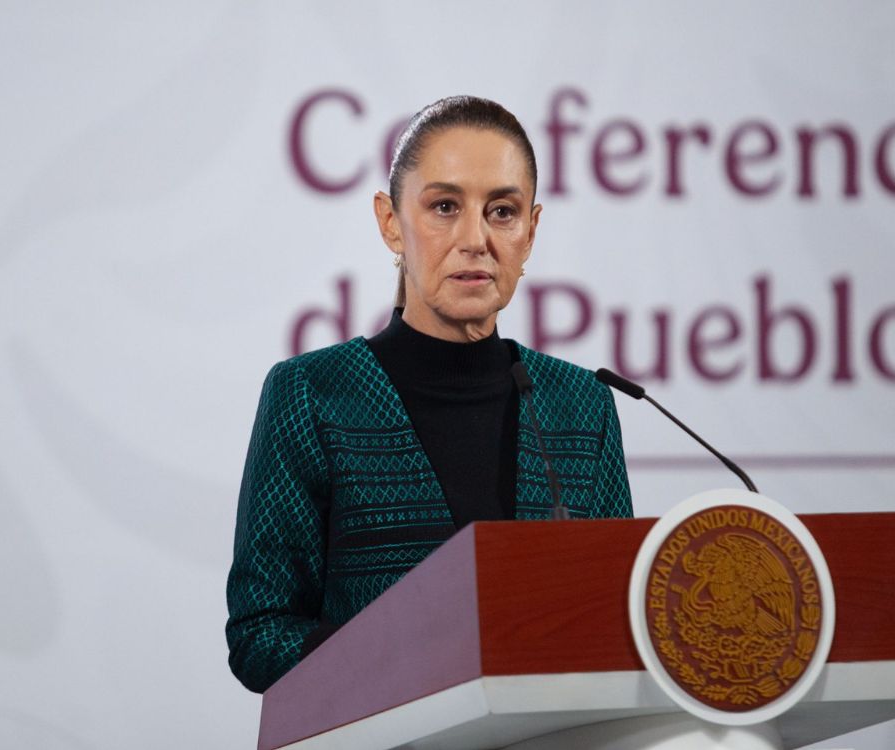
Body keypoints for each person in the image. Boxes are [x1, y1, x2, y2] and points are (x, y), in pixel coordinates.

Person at [225, 96, 634, 694]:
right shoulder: (312, 394)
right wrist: (408, 664)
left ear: (530, 231)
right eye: (445, 207)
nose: (475, 239)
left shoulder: (580, 404)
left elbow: (616, 620)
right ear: (391, 222)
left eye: (502, 211)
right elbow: (260, 634)